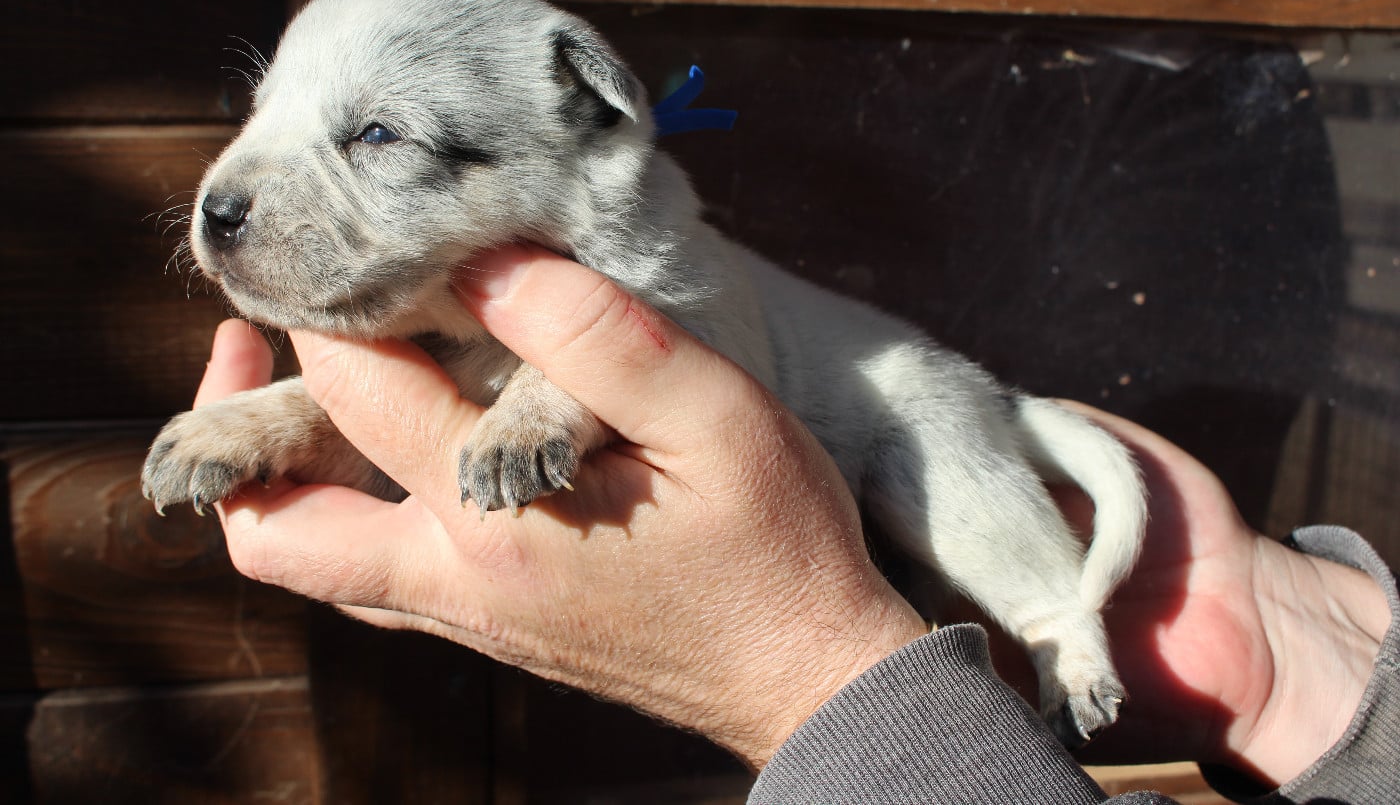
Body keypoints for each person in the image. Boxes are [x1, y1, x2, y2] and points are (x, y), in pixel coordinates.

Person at [201, 246, 1397, 803]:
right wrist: (1290, 651)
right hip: (1293, 655)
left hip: (892, 414)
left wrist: (805, 679)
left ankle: (1053, 620)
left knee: (940, 467)